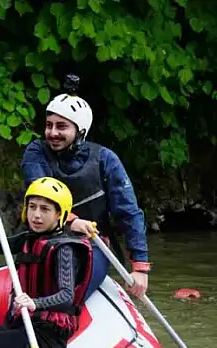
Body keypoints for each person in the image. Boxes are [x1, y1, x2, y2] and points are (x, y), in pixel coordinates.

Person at [20, 77, 150, 298]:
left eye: (61, 126)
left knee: (69, 293)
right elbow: (41, 191)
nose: (52, 133)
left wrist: (140, 267)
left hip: (91, 244)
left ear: (80, 131)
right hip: (43, 240)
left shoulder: (105, 159)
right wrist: (71, 220)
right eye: (49, 125)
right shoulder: (36, 152)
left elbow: (128, 212)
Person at [0, 177, 93, 348]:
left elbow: (66, 295)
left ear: (59, 214)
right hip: (20, 328)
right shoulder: (28, 239)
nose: (36, 215)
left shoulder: (65, 249)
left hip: (45, 340)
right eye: (32, 207)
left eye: (45, 209)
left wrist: (35, 303)